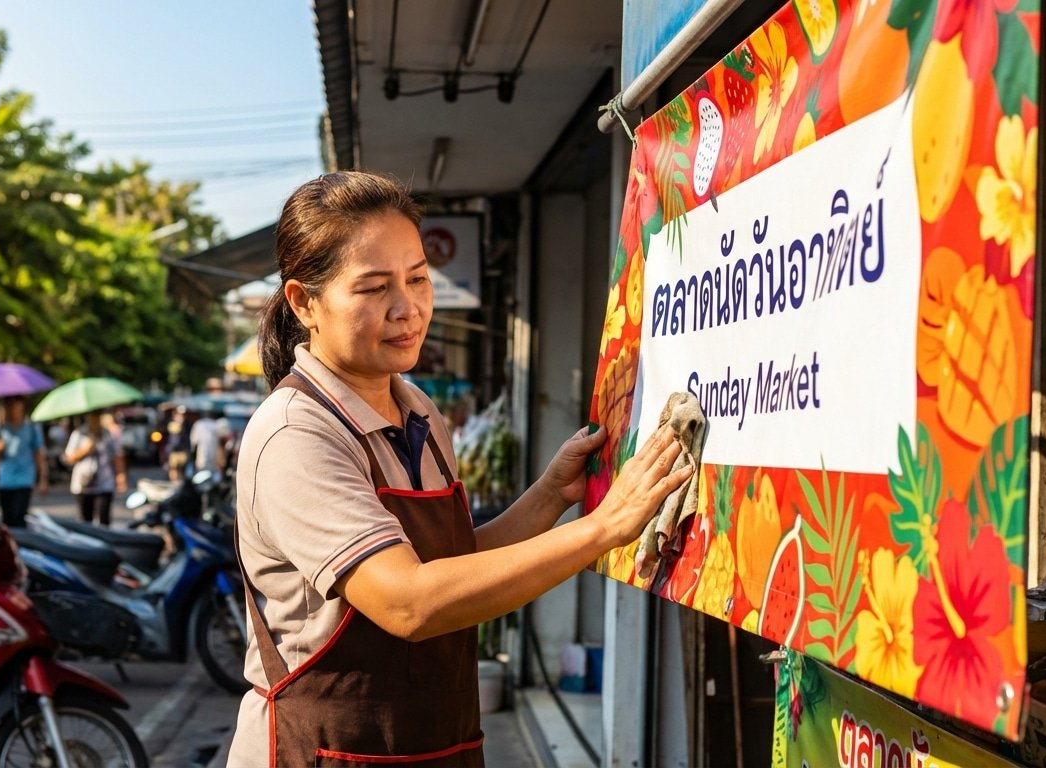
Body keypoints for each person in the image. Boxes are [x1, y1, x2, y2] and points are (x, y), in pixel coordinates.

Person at [227, 171, 694, 766]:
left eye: (419, 278)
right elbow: (409, 602)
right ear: (304, 302)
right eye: (373, 288)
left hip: (433, 746)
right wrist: (607, 527)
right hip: (324, 751)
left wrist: (552, 494)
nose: (408, 307)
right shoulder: (297, 433)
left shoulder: (415, 406)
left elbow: (449, 567)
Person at [0, 396, 48, 528]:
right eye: (9, 406)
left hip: (25, 478)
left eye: (15, 406)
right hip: (5, 479)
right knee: (7, 519)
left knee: (20, 516)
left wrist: (43, 479)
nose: (12, 410)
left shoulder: (32, 428)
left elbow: (39, 454)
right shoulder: (0, 428)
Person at [63, 410, 127, 527]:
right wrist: (85, 450)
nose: (95, 419)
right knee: (86, 522)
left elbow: (117, 457)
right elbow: (69, 458)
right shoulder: (79, 434)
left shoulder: (108, 434)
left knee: (104, 520)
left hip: (105, 482)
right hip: (84, 484)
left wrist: (120, 476)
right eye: (92, 416)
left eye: (97, 416)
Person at [189, 407, 229, 478]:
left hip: (206, 453)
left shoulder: (200, 424)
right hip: (208, 452)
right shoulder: (213, 424)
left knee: (203, 470)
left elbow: (193, 441)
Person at [164, 406, 190, 482]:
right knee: (173, 468)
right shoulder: (172, 424)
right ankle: (174, 482)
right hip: (174, 451)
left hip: (183, 450)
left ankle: (179, 483)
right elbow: (174, 430)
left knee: (182, 469)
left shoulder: (187, 424)